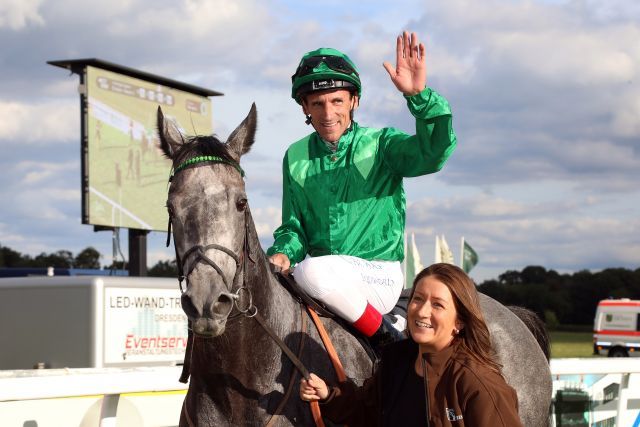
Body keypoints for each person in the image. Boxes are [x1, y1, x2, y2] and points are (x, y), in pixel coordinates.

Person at [267, 32, 457, 346]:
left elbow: (433, 154)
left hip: (377, 274)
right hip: (322, 276)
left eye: (337, 101)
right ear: (305, 107)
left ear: (354, 101)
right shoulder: (295, 156)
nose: (328, 114)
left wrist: (419, 97)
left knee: (312, 272)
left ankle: (389, 341)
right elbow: (294, 227)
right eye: (318, 103)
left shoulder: (381, 144)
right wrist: (283, 254)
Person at [299, 263, 523, 426]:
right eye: (417, 299)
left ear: (460, 321)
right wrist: (328, 394)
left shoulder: (478, 383)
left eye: (438, 305)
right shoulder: (396, 360)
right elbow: (366, 411)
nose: (422, 311)